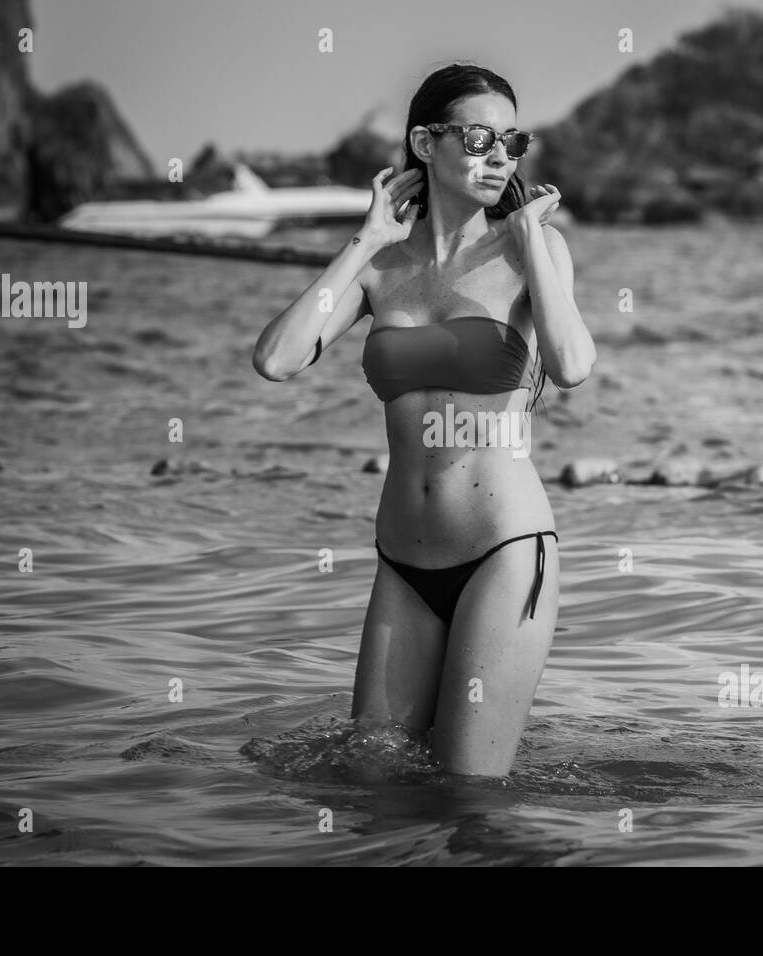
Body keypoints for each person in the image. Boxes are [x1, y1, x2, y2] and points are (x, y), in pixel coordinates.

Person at [253, 64, 595, 776]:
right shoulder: (383, 269)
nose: (499, 155)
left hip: (503, 554)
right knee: (372, 784)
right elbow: (277, 360)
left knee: (468, 796)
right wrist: (364, 242)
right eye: (478, 137)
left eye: (512, 140)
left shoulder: (532, 251)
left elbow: (571, 365)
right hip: (402, 567)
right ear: (424, 142)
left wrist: (533, 242)